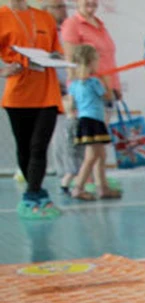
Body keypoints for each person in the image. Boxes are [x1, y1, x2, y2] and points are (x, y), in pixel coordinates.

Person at [0, 0, 64, 219]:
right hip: (18, 93)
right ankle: (36, 192)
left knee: (39, 146)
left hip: (47, 92)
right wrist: (3, 70)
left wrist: (56, 58)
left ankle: (32, 194)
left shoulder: (45, 17)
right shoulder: (2, 16)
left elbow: (57, 50)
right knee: (25, 147)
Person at [67, 44, 119, 201]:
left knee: (101, 155)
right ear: (91, 63)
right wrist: (106, 82)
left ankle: (103, 187)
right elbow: (108, 97)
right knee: (91, 157)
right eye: (96, 60)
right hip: (94, 122)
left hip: (84, 120)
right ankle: (78, 187)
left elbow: (71, 105)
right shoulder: (94, 83)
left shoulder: (74, 85)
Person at [43, 0, 83, 197]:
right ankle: (65, 174)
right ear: (46, 10)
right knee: (59, 136)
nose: (63, 10)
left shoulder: (71, 30)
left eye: (64, 6)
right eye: (58, 7)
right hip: (52, 91)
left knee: (77, 133)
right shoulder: (42, 33)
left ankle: (81, 174)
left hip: (74, 88)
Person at [61, 0, 120, 103]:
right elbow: (71, 62)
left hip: (108, 90)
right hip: (89, 92)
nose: (91, 1)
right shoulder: (72, 24)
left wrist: (115, 86)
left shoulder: (100, 24)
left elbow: (108, 60)